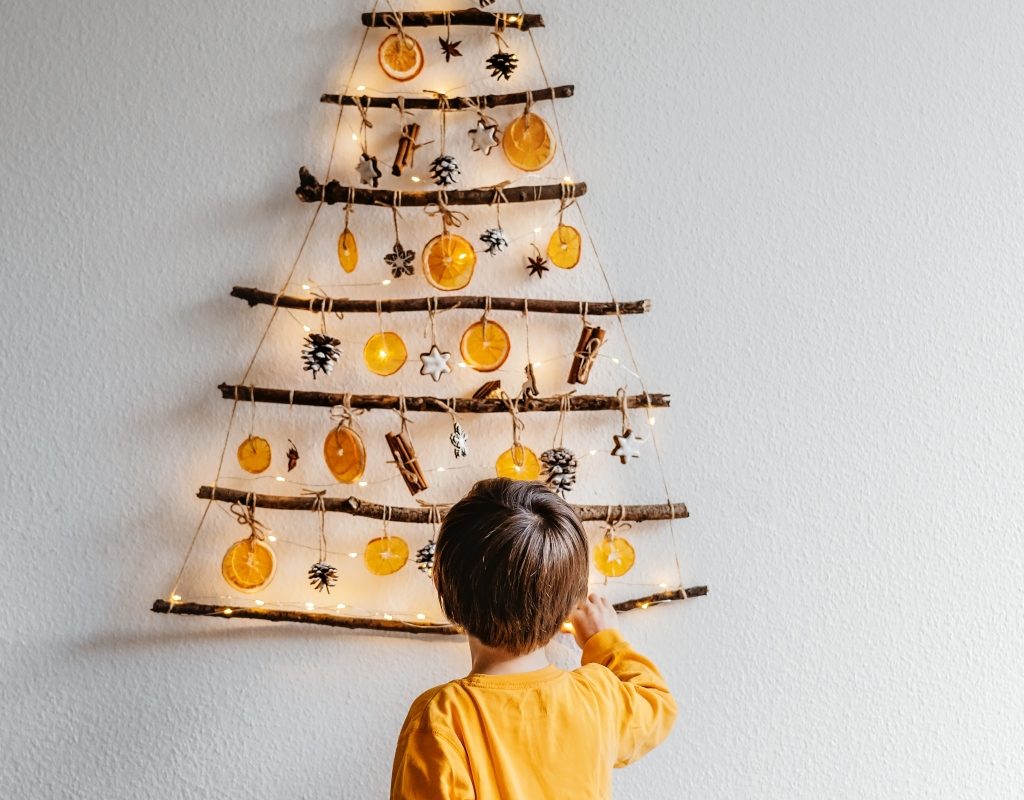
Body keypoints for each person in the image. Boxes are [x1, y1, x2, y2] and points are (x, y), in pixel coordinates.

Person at [390, 478, 678, 799]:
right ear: (572, 605)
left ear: (439, 582)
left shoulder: (441, 717)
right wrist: (603, 640)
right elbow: (658, 704)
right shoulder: (597, 697)